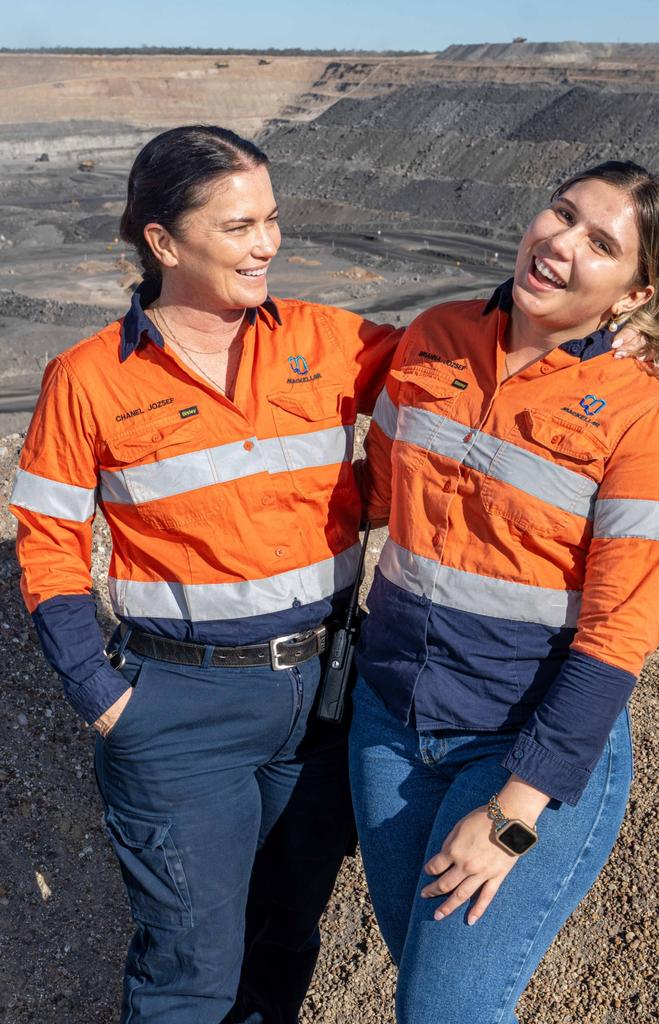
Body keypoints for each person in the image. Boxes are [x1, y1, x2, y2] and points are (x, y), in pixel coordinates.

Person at [9, 124, 403, 1024]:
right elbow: (48, 543)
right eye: (237, 226)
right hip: (182, 712)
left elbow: (453, 370)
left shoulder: (328, 337)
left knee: (284, 940)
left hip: (328, 704)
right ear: (163, 241)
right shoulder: (87, 381)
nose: (267, 243)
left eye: (271, 219)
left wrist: (565, 318)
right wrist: (104, 700)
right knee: (190, 971)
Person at [349, 160, 659, 1024]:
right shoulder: (434, 337)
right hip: (388, 729)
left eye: (600, 242)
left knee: (446, 1013)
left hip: (517, 749)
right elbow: (377, 493)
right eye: (561, 212)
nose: (561, 243)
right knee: (438, 996)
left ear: (633, 294)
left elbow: (619, 638)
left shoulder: (645, 423)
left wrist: (514, 811)